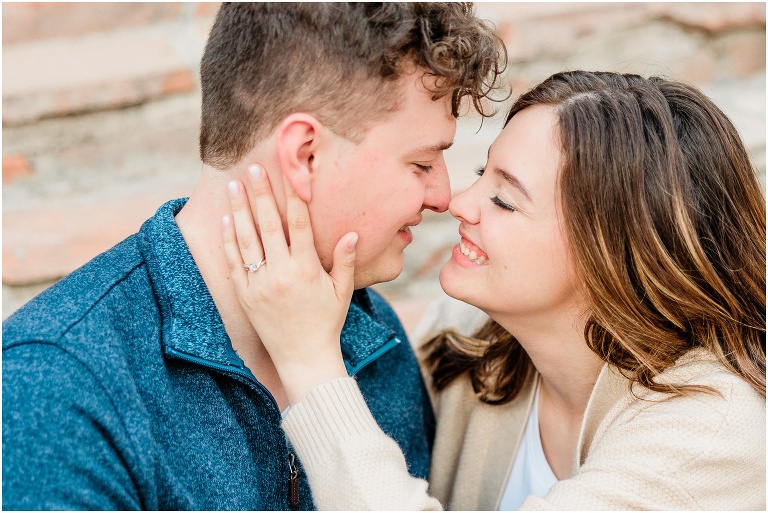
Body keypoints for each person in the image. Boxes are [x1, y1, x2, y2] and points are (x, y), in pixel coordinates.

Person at [2, 3, 507, 509]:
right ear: (304, 155)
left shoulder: (377, 342)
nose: (442, 196)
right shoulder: (55, 389)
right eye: (421, 163)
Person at [223, 70, 766, 510]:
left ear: (614, 254)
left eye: (505, 200)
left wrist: (310, 363)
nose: (457, 202)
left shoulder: (714, 433)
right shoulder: (463, 343)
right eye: (484, 173)